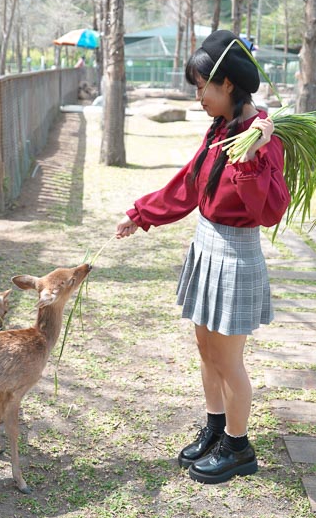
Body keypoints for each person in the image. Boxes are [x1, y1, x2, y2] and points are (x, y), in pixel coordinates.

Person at [115, 30, 290, 485]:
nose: (198, 98)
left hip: (235, 254)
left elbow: (269, 211)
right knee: (205, 349)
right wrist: (142, 214)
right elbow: (191, 183)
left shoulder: (263, 139)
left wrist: (251, 157)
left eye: (201, 87)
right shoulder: (221, 128)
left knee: (229, 360)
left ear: (227, 84)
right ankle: (216, 427)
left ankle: (238, 447)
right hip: (207, 246)